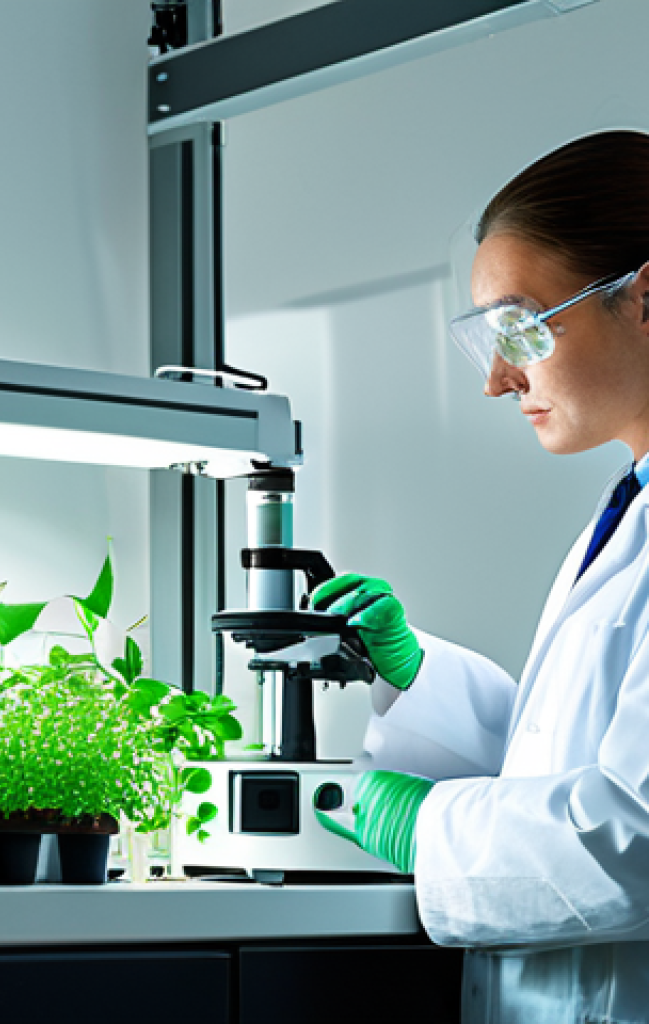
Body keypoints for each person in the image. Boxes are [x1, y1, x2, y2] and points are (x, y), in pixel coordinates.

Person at [313, 130, 649, 1023]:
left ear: (646, 298)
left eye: (521, 327)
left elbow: (637, 837)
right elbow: (572, 755)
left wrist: (425, 829)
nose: (500, 379)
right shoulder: (628, 509)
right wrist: (425, 680)